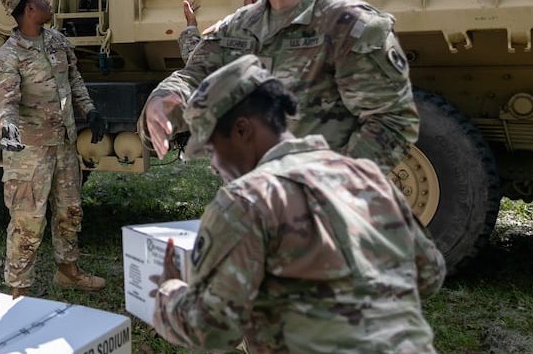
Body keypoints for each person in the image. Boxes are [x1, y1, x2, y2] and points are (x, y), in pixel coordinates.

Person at [151, 55, 445, 353]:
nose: (214, 165)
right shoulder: (367, 176)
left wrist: (170, 291)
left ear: (242, 130)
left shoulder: (247, 200)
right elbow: (430, 274)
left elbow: (212, 331)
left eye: (212, 149)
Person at [140, 0, 418, 172]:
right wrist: (163, 102)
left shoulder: (351, 26)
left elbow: (392, 123)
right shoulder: (238, 27)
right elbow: (195, 75)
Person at [0, 0, 108, 298]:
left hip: (64, 145)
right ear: (29, 9)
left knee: (70, 211)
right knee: (28, 220)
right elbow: (5, 103)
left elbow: (73, 78)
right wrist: (7, 126)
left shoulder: (56, 41)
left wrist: (90, 110)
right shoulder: (8, 57)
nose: (47, 1)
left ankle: (68, 271)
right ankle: (19, 288)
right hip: (30, 153)